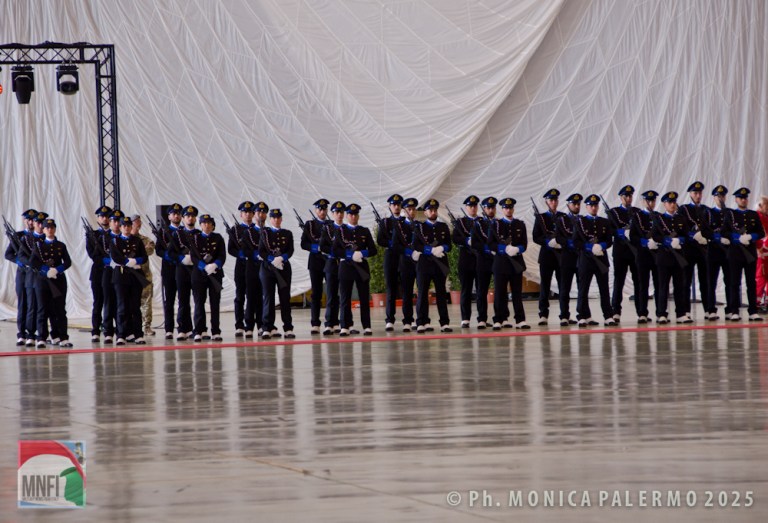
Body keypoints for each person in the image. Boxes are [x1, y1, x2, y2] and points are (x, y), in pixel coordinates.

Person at [333, 203, 378, 336]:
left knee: (364, 298)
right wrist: (350, 255)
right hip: (346, 267)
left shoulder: (364, 231)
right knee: (345, 298)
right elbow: (335, 250)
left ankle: (367, 326)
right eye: (351, 214)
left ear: (358, 216)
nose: (353, 216)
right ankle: (345, 326)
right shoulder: (340, 231)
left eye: (355, 214)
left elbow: (373, 250)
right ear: (347, 216)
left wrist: (362, 253)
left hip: (361, 267)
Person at [722, 187, 764, 321]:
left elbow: (761, 232)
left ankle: (753, 311)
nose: (743, 200)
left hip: (750, 253)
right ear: (736, 199)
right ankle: (734, 311)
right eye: (740, 198)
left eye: (745, 198)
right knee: (734, 282)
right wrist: (737, 238)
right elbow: (724, 232)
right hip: (735, 253)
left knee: (751, 282)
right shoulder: (731, 214)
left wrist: (751, 236)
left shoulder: (753, 214)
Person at [411, 199, 453, 332]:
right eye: (430, 210)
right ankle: (421, 322)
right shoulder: (420, 227)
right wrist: (430, 250)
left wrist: (442, 248)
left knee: (441, 293)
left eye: (435, 210)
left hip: (440, 264)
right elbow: (415, 245)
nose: (433, 212)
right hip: (425, 264)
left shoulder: (443, 227)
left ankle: (444, 323)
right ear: (425, 212)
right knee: (422, 293)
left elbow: (449, 245)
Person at [574, 194, 615, 327]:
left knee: (604, 289)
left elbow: (609, 240)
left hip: (601, 260)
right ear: (586, 207)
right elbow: (576, 241)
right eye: (591, 205)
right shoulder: (580, 222)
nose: (593, 207)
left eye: (595, 205)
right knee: (583, 289)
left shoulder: (604, 222)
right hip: (586, 260)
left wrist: (601, 246)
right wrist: (589, 247)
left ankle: (608, 316)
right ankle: (581, 315)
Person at [488, 197, 529, 330]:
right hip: (501, 263)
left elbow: (524, 244)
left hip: (516, 262)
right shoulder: (495, 224)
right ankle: (499, 319)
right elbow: (490, 244)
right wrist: (503, 248)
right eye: (506, 208)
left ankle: (520, 320)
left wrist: (517, 249)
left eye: (510, 208)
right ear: (502, 209)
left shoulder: (520, 224)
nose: (508, 210)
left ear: (513, 209)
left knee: (517, 292)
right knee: (500, 293)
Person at [32, 219, 73, 348]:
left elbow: (68, 262)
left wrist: (57, 270)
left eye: (52, 227)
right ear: (43, 230)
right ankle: (41, 338)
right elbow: (33, 261)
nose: (50, 230)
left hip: (58, 280)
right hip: (43, 281)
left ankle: (63, 337)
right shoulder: (38, 246)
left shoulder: (61, 245)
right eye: (47, 227)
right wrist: (45, 270)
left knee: (60, 310)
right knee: (42, 310)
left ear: (55, 229)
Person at [110, 215, 149, 345]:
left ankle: (138, 334)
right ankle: (121, 334)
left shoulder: (137, 241)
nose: (126, 228)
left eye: (128, 226)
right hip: (121, 276)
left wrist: (135, 261)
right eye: (124, 226)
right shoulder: (115, 241)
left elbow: (144, 257)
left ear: (131, 227)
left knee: (135, 306)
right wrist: (127, 262)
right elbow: (115, 257)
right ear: (120, 227)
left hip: (135, 276)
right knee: (122, 306)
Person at [652, 192, 690, 324]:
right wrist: (666, 241)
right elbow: (655, 236)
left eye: (674, 202)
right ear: (664, 204)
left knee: (679, 286)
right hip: (664, 257)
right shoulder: (659, 219)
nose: (672, 205)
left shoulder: (681, 219)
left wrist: (680, 240)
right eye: (669, 202)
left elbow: (686, 235)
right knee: (663, 287)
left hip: (678, 257)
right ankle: (661, 313)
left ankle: (681, 313)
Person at [259, 208, 295, 339]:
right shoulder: (265, 233)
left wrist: (282, 258)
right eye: (273, 218)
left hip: (283, 268)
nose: (276, 220)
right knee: (268, 298)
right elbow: (261, 251)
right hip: (268, 269)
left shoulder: (287, 233)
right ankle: (267, 327)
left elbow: (290, 250)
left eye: (278, 217)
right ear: (270, 219)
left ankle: (288, 327)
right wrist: (272, 259)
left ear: (281, 219)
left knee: (285, 298)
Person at [606, 185, 639, 322]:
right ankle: (615, 311)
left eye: (630, 196)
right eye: (626, 196)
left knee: (638, 281)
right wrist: (619, 232)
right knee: (618, 281)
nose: (628, 198)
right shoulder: (613, 212)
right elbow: (609, 230)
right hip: (620, 251)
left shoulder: (636, 212)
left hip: (635, 252)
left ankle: (641, 311)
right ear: (621, 197)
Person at [678, 181, 712, 317]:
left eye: (700, 193)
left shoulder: (706, 210)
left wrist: (706, 237)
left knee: (706, 281)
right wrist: (693, 235)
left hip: (703, 250)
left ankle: (708, 309)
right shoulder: (684, 209)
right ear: (690, 194)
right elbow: (681, 228)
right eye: (695, 193)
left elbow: (710, 228)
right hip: (689, 250)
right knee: (685, 281)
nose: (698, 195)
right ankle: (685, 310)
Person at [191, 214, 226, 341]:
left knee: (215, 303)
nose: (207, 225)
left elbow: (222, 255)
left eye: (209, 223)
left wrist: (215, 265)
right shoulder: (195, 238)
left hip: (215, 274)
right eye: (204, 223)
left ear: (212, 225)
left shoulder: (218, 238)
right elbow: (193, 257)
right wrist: (203, 266)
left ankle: (216, 331)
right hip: (199, 275)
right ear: (200, 225)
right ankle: (198, 330)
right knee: (199, 303)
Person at [532, 189, 564, 325]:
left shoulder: (563, 216)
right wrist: (547, 242)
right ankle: (543, 314)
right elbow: (536, 236)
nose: (553, 202)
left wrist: (559, 242)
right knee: (545, 286)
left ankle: (564, 314)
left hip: (561, 256)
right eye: (551, 200)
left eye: (555, 200)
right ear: (546, 202)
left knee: (563, 286)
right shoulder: (541, 218)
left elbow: (568, 234)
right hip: (546, 256)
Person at [5, 209, 37, 345]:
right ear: (24, 221)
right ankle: (21, 334)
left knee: (34, 304)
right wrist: (20, 261)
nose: (30, 222)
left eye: (33, 220)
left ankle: (33, 333)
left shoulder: (40, 235)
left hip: (37, 275)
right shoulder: (18, 236)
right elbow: (8, 254)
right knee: (23, 303)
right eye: (28, 219)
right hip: (23, 274)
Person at [301, 199, 331, 334]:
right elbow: (304, 243)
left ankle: (332, 322)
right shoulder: (310, 225)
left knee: (332, 292)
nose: (322, 211)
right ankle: (315, 323)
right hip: (315, 262)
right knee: (316, 294)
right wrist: (317, 248)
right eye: (320, 209)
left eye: (324, 209)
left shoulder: (331, 224)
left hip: (329, 261)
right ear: (316, 210)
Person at [153, 203, 182, 339]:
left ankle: (184, 328)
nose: (176, 216)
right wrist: (169, 256)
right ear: (169, 216)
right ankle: (169, 329)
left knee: (183, 300)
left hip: (183, 269)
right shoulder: (163, 232)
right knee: (169, 300)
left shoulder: (184, 231)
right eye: (173, 214)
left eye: (178, 214)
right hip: (169, 269)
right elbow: (158, 250)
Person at [630, 190, 660, 323]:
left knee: (659, 284)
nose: (651, 203)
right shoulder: (637, 217)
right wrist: (644, 242)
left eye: (653, 200)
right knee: (643, 284)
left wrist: (657, 241)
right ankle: (642, 313)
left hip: (657, 255)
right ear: (643, 202)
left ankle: (660, 312)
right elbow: (632, 237)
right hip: (642, 255)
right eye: (648, 200)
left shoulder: (658, 216)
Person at [376, 194, 405, 331]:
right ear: (390, 206)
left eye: (398, 204)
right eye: (394, 204)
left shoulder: (405, 222)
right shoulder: (385, 222)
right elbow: (380, 240)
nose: (396, 207)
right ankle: (389, 320)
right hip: (391, 256)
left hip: (404, 256)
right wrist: (391, 243)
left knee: (406, 289)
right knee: (390, 289)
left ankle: (408, 319)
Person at [451, 195, 480, 328]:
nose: (473, 208)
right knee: (466, 290)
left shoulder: (482, 221)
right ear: (466, 207)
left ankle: (482, 318)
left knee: (481, 290)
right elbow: (455, 238)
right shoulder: (460, 222)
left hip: (480, 259)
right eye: (470, 206)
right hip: (466, 260)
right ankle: (465, 318)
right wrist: (466, 240)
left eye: (475, 206)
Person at [470, 197, 498, 329]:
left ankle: (500, 318)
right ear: (484, 209)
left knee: (500, 289)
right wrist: (487, 248)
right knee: (481, 290)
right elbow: (474, 243)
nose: (491, 210)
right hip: (483, 260)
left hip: (497, 259)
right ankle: (482, 318)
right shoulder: (478, 224)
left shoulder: (499, 223)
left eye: (493, 207)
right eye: (488, 208)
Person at [173, 205, 200, 340]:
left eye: (192, 216)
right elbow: (171, 252)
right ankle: (183, 328)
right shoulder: (177, 234)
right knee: (183, 300)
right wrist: (181, 258)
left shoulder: (199, 234)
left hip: (196, 270)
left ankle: (198, 329)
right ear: (183, 218)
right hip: (182, 270)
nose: (190, 218)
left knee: (198, 300)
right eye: (187, 216)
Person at [84, 205, 111, 342]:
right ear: (98, 218)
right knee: (98, 302)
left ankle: (109, 330)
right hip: (98, 272)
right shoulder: (93, 235)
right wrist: (103, 260)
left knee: (111, 303)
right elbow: (92, 254)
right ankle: (95, 330)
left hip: (112, 272)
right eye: (102, 216)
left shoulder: (115, 234)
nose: (105, 219)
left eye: (107, 216)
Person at [555, 194, 582, 326]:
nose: (576, 206)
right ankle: (564, 315)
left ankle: (583, 315)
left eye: (578, 204)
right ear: (568, 205)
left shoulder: (583, 219)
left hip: (581, 257)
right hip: (567, 257)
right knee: (565, 288)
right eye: (574, 204)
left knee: (582, 287)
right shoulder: (562, 220)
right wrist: (569, 243)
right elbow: (558, 237)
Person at [706, 185, 733, 320]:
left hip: (728, 251)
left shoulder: (730, 213)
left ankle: (730, 310)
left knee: (730, 281)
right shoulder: (709, 213)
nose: (720, 198)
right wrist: (717, 238)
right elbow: (705, 230)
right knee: (711, 282)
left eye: (722, 196)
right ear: (714, 198)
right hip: (713, 251)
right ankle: (711, 309)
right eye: (718, 196)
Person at [320, 201, 346, 334]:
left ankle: (344, 323)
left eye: (341, 212)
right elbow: (322, 246)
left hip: (345, 264)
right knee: (331, 295)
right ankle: (330, 323)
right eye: (337, 212)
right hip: (331, 263)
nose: (339, 214)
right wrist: (335, 252)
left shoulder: (347, 228)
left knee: (344, 295)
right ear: (332, 214)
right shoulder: (327, 229)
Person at [131, 215, 156, 335]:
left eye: (139, 222)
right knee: (131, 302)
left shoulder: (146, 240)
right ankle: (132, 326)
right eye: (136, 222)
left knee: (146, 302)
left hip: (145, 276)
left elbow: (150, 250)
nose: (138, 224)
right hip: (130, 275)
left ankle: (146, 326)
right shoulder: (124, 239)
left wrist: (136, 252)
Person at [398, 198, 420, 331]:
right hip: (406, 262)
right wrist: (410, 252)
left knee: (421, 292)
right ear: (404, 211)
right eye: (409, 209)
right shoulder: (399, 226)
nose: (411, 212)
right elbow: (396, 245)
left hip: (420, 263)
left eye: (413, 209)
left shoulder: (420, 225)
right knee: (407, 293)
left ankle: (422, 320)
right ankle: (407, 320)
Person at [755, 196, 768, 310]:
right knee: (761, 277)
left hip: (765, 252)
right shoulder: (756, 217)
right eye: (766, 205)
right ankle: (757, 302)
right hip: (761, 252)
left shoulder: (765, 217)